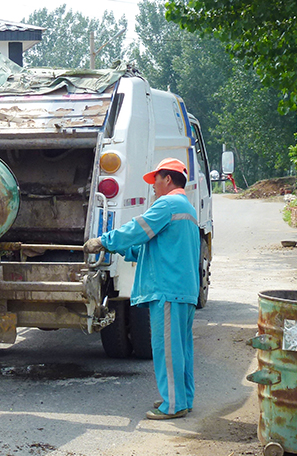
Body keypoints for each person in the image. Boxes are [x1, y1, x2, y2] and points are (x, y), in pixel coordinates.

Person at [83, 158, 200, 420]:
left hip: (168, 290)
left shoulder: (167, 204)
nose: (153, 188)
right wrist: (118, 248)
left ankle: (172, 405)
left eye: (155, 182)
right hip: (182, 290)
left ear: (167, 179)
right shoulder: (186, 208)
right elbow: (147, 249)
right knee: (180, 350)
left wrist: (103, 240)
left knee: (166, 350)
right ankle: (183, 399)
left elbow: (137, 229)